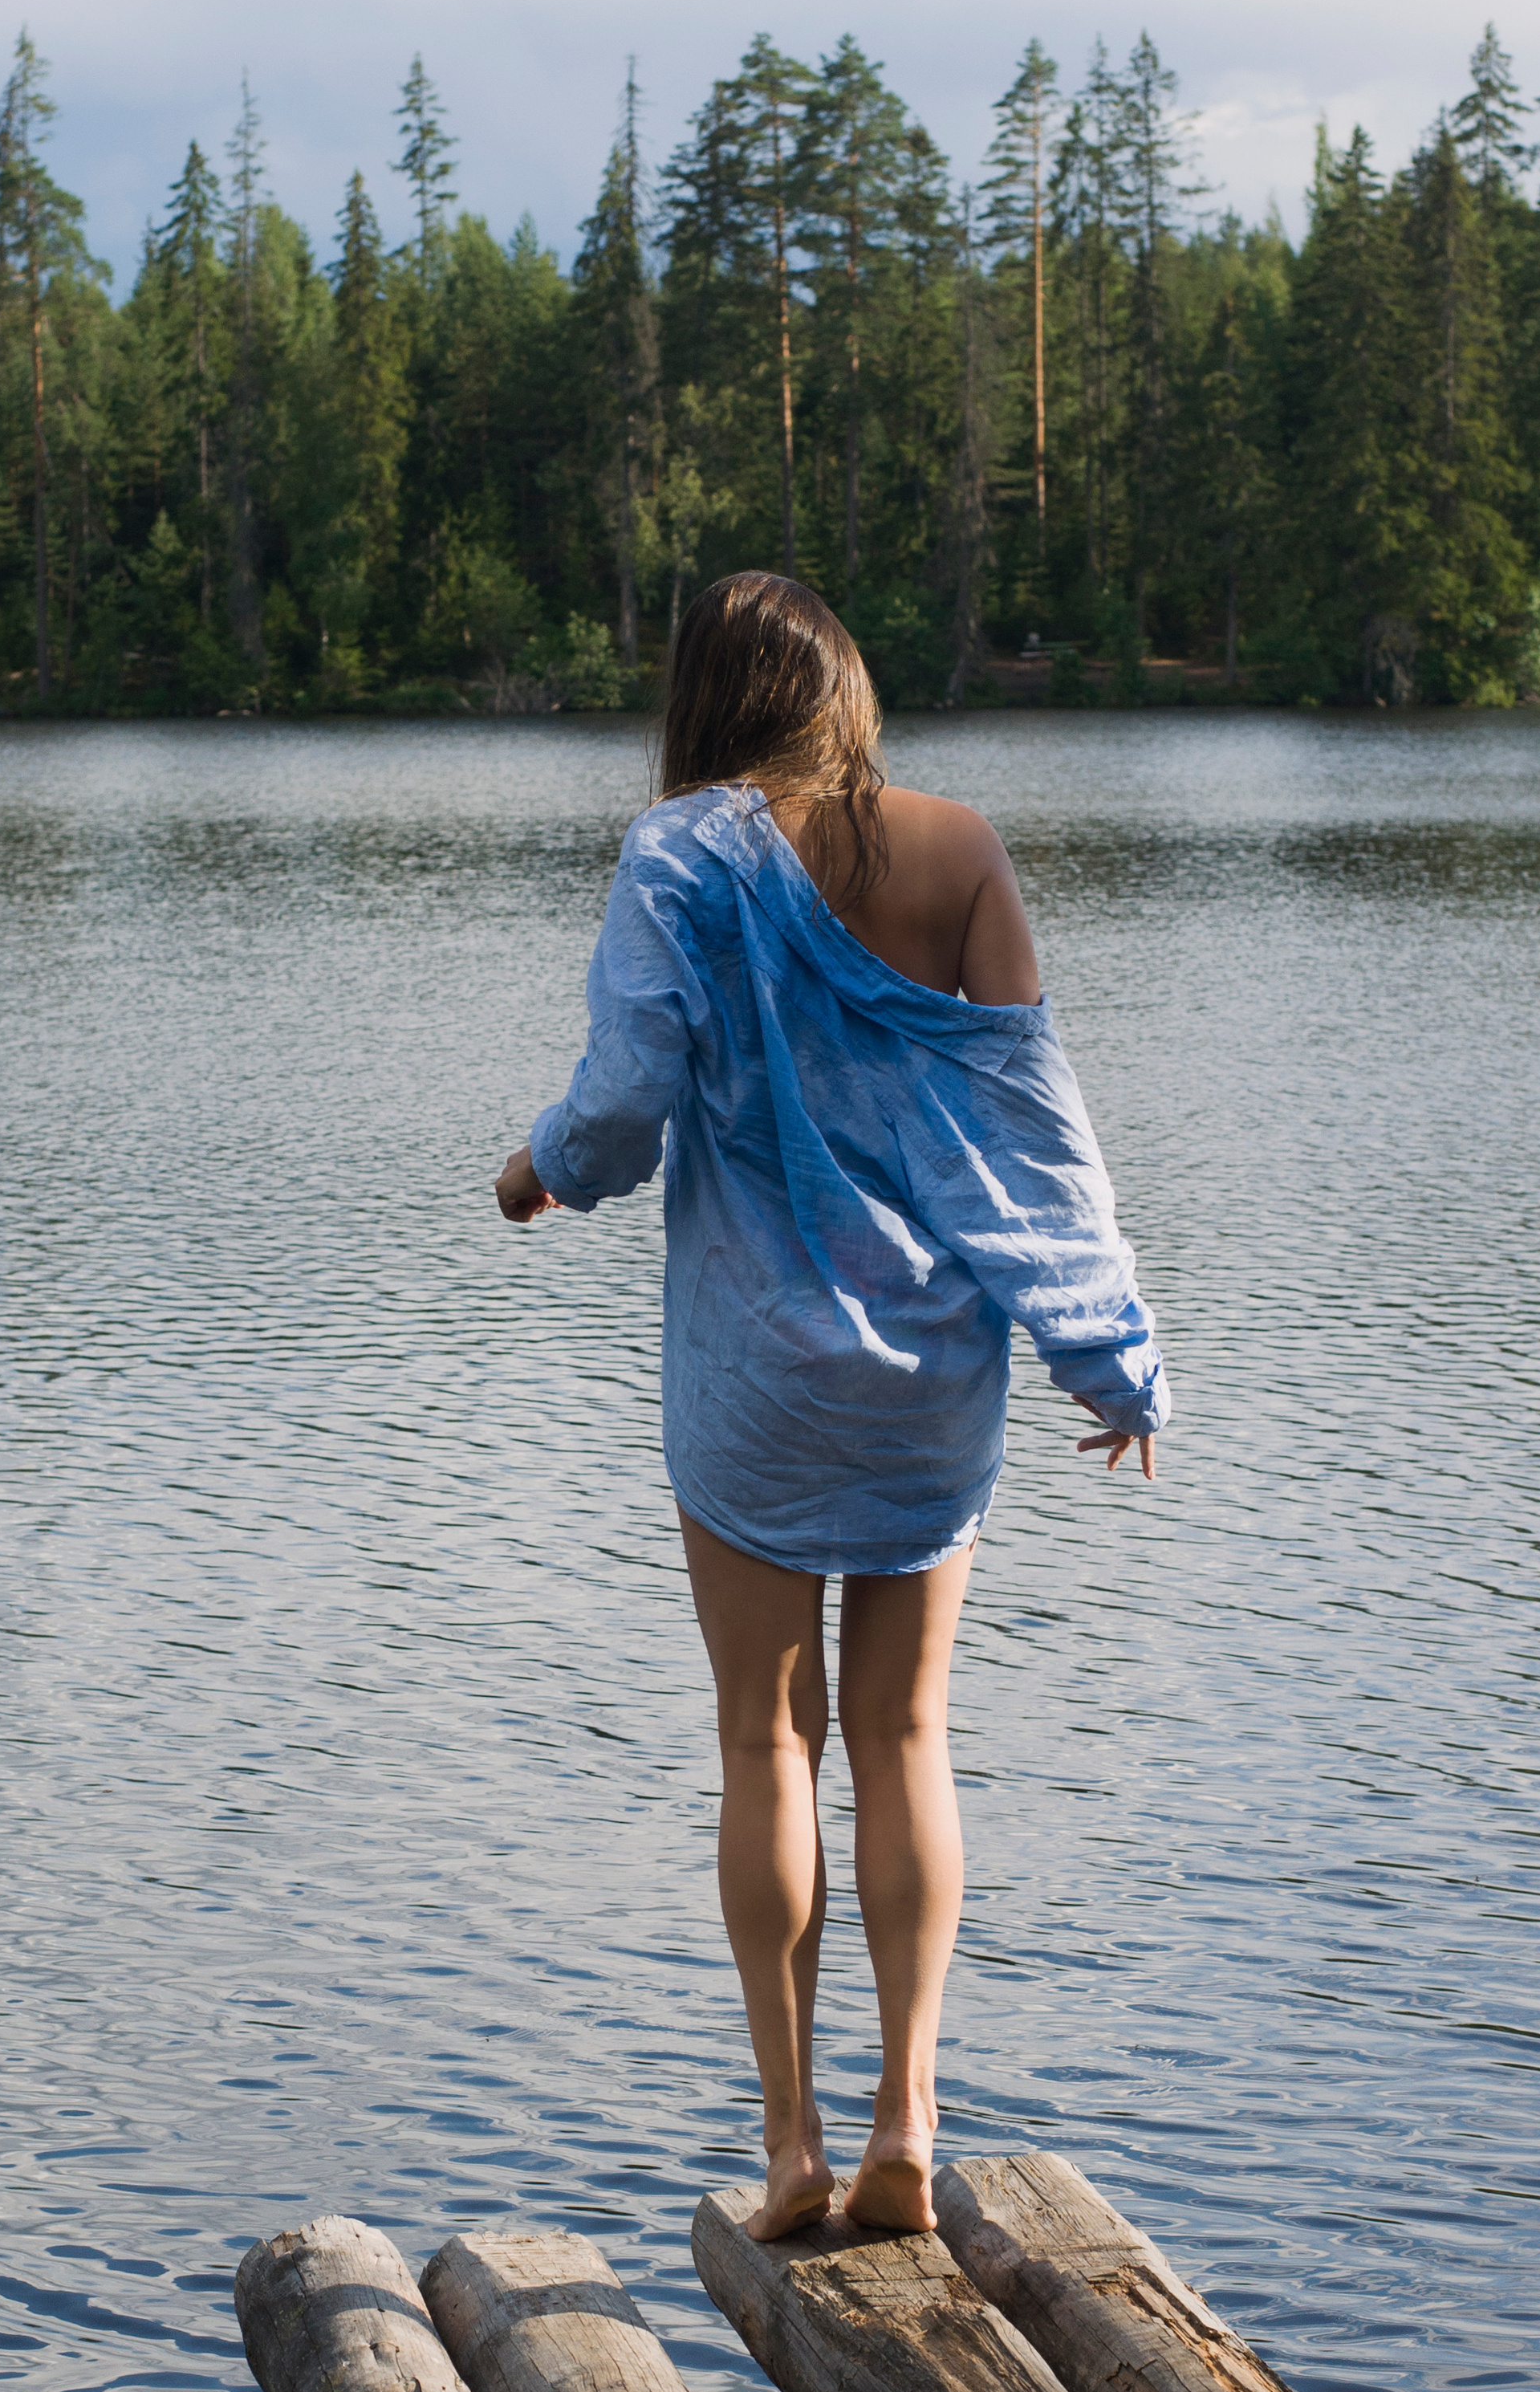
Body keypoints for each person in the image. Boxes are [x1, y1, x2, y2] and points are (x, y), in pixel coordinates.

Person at [497, 573, 1168, 2241]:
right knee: (907, 1736)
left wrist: (540, 1170)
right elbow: (1035, 1132)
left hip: (749, 1370)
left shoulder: (677, 855)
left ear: (703, 698)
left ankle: (789, 2138)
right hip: (930, 1370)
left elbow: (625, 1098)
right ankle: (909, 2115)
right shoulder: (955, 850)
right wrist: (1105, 1345)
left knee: (760, 1740)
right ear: (841, 694)